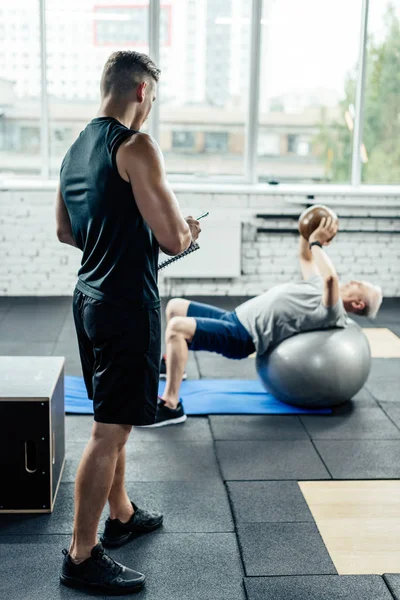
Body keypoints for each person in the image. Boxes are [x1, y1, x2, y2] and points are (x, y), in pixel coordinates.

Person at [55, 50, 201, 594]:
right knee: (108, 431)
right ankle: (81, 555)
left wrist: (120, 232)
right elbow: (173, 239)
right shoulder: (136, 146)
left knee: (112, 416)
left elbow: (66, 231)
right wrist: (186, 228)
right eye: (153, 100)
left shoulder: (75, 147)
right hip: (124, 307)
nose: (150, 111)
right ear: (141, 92)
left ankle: (120, 514)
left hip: (88, 298)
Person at [154, 217, 383, 427]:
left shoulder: (333, 312)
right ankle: (172, 365)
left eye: (359, 284)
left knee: (177, 329)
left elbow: (332, 278)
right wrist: (307, 229)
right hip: (234, 317)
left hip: (242, 336)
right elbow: (305, 257)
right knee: (175, 306)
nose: (353, 281)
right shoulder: (317, 285)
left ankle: (171, 405)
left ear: (358, 304)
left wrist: (316, 243)